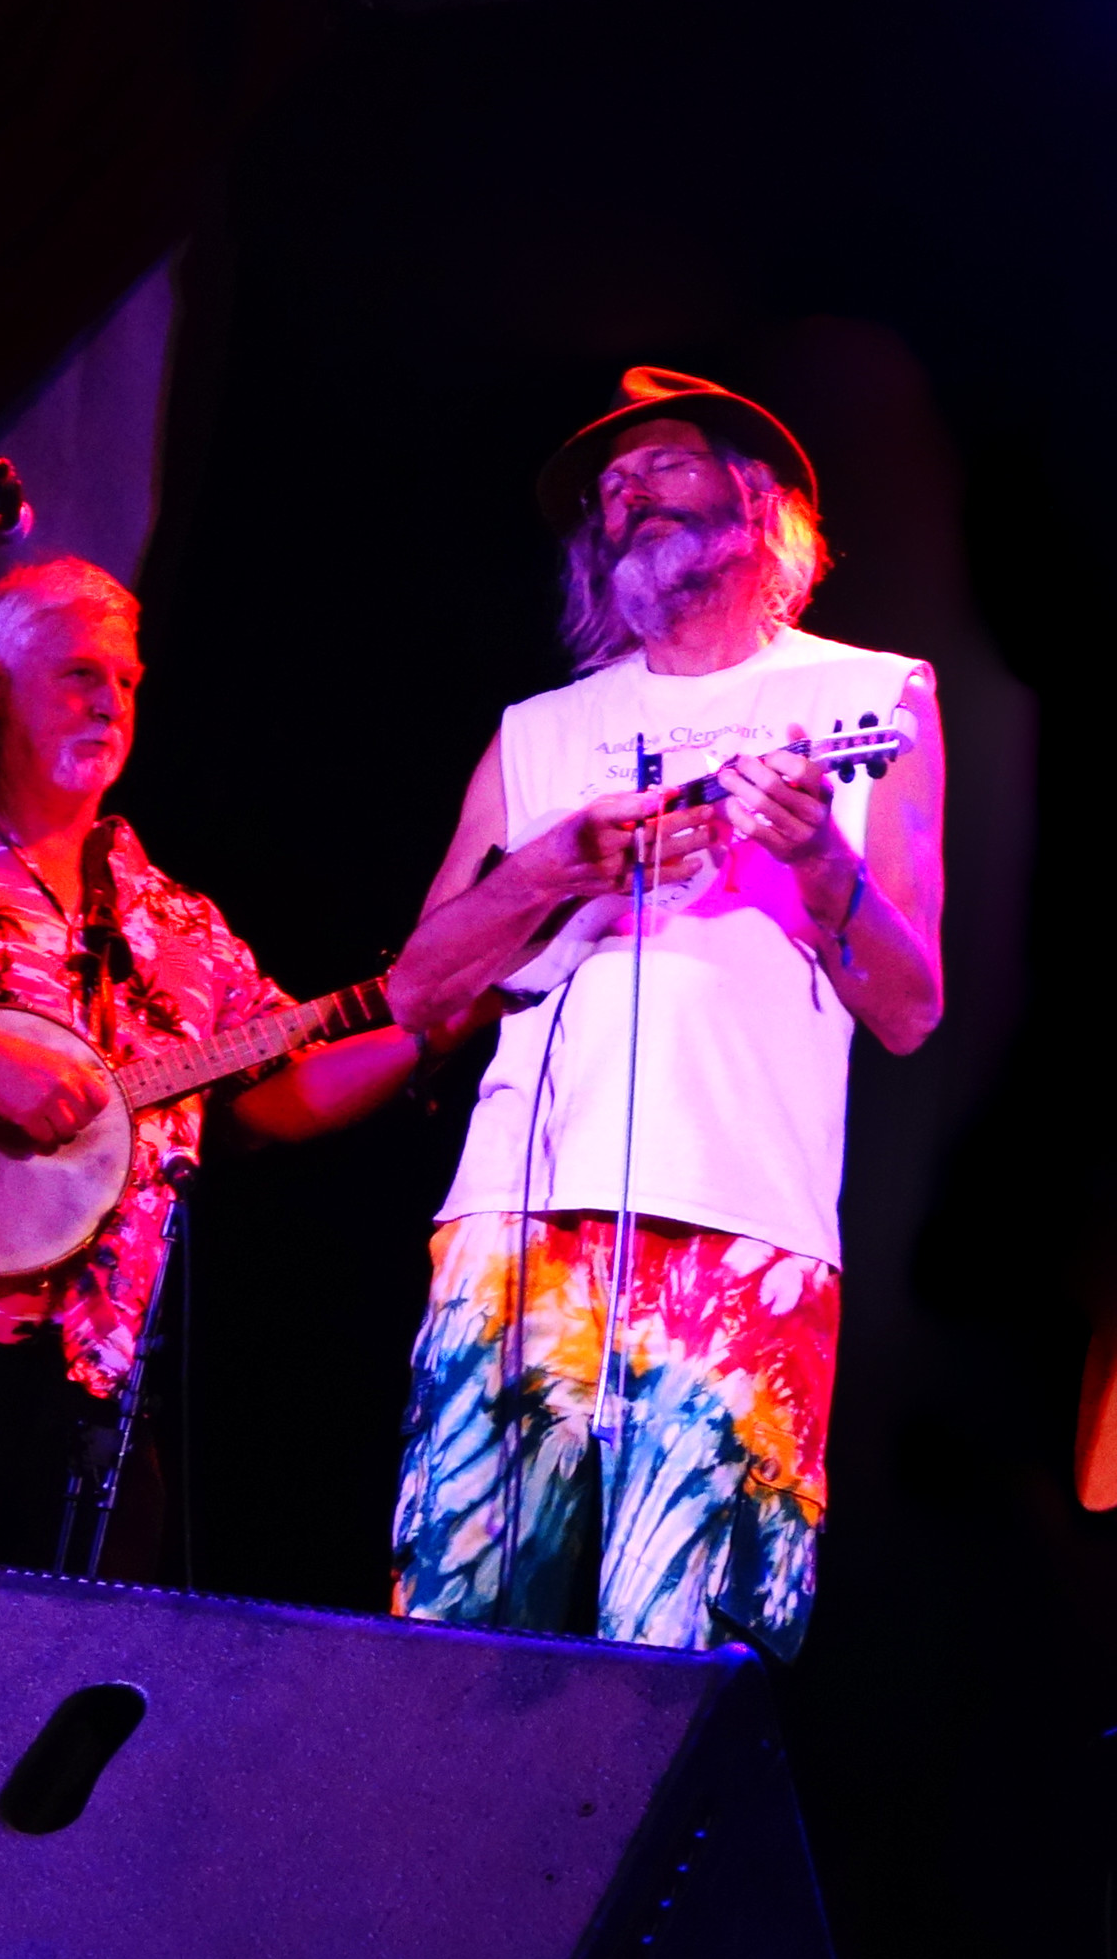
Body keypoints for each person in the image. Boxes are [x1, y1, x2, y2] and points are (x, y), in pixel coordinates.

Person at [0, 557, 424, 1687]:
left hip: (91, 1398)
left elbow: (281, 1091)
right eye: (77, 674)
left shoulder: (181, 923)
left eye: (127, 681)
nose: (110, 702)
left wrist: (437, 1026)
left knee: (44, 1736)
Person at [377, 368, 951, 1660]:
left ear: (757, 500)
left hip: (737, 1229)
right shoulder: (540, 731)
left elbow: (911, 1007)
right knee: (452, 1647)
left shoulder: (869, 696)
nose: (626, 491)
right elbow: (418, 989)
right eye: (609, 486)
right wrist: (553, 868)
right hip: (516, 1224)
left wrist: (816, 862)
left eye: (664, 464)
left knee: (680, 1668)